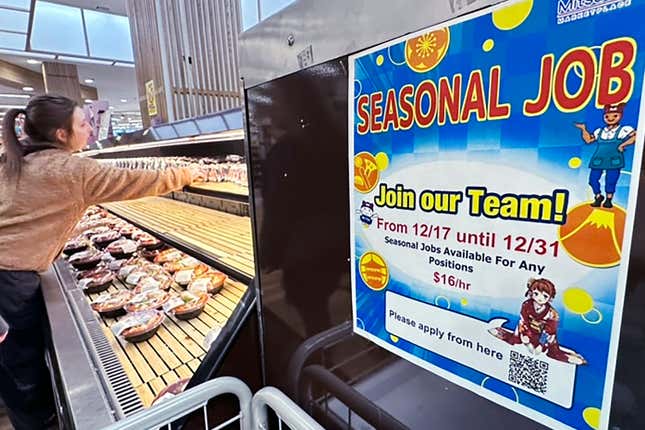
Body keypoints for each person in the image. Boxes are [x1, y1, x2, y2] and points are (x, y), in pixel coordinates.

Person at [0, 95, 199, 429]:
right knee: (23, 374)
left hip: (8, 278)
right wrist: (188, 172)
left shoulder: (13, 160)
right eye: (83, 123)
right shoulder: (70, 168)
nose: (90, 129)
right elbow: (136, 181)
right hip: (10, 283)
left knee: (14, 370)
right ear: (61, 134)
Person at [575, 103, 637, 209]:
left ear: (620, 116)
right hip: (599, 158)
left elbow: (636, 135)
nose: (610, 118)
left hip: (614, 159)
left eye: (615, 116)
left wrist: (623, 144)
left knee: (611, 180)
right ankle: (598, 196)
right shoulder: (600, 131)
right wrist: (583, 129)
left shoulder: (624, 130)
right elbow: (588, 140)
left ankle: (609, 200)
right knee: (593, 179)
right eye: (607, 116)